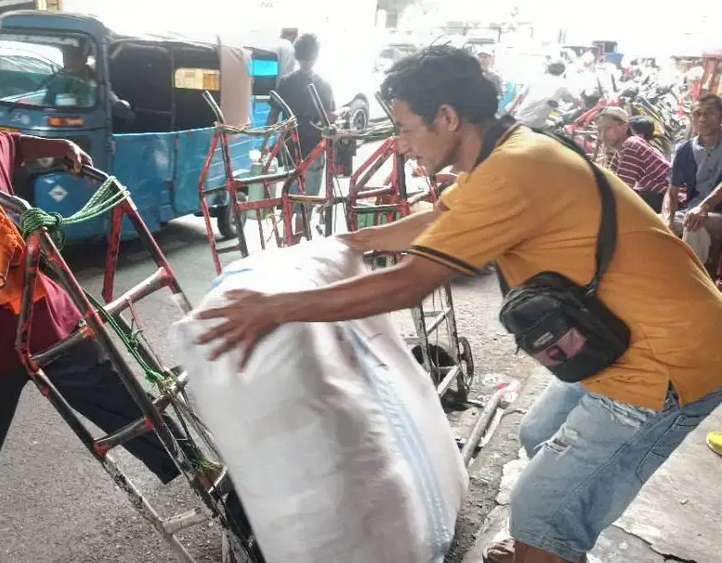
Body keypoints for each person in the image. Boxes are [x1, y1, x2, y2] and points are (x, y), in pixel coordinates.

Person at [193, 46, 722, 563]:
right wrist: (351, 244)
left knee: (538, 506)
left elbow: (409, 284)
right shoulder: (508, 151)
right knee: (540, 437)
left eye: (403, 128)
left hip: (666, 360)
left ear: (446, 116)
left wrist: (276, 306)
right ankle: (552, 544)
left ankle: (546, 538)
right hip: (632, 333)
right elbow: (433, 220)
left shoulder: (515, 168)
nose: (399, 144)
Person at [0, 51, 220, 563]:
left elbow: (14, 143)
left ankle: (196, 467)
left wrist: (58, 145)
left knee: (120, 393)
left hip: (46, 314)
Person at [266, 33, 336, 235]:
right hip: (313, 151)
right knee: (305, 203)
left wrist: (264, 145)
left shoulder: (286, 82)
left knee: (290, 197)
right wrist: (341, 114)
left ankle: (290, 242)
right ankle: (296, 244)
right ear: (315, 55)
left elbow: (273, 114)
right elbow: (329, 117)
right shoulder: (323, 85)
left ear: (296, 56)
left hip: (289, 149)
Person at [662, 94, 722, 266]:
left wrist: (704, 207)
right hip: (692, 212)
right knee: (651, 225)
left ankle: (690, 282)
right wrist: (667, 221)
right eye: (696, 113)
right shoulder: (685, 150)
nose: (702, 118)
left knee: (694, 225)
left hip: (715, 213)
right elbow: (672, 192)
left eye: (709, 113)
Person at [596, 107, 671, 211]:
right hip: (659, 194)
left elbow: (622, 189)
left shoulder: (630, 145)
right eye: (599, 130)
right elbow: (611, 177)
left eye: (608, 128)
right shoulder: (621, 148)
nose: (602, 136)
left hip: (669, 196)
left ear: (623, 126)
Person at [512, 61, 577, 129]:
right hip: (536, 124)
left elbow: (519, 98)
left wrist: (508, 114)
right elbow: (575, 101)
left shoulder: (535, 78)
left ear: (548, 68)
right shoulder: (563, 85)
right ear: (562, 72)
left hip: (519, 119)